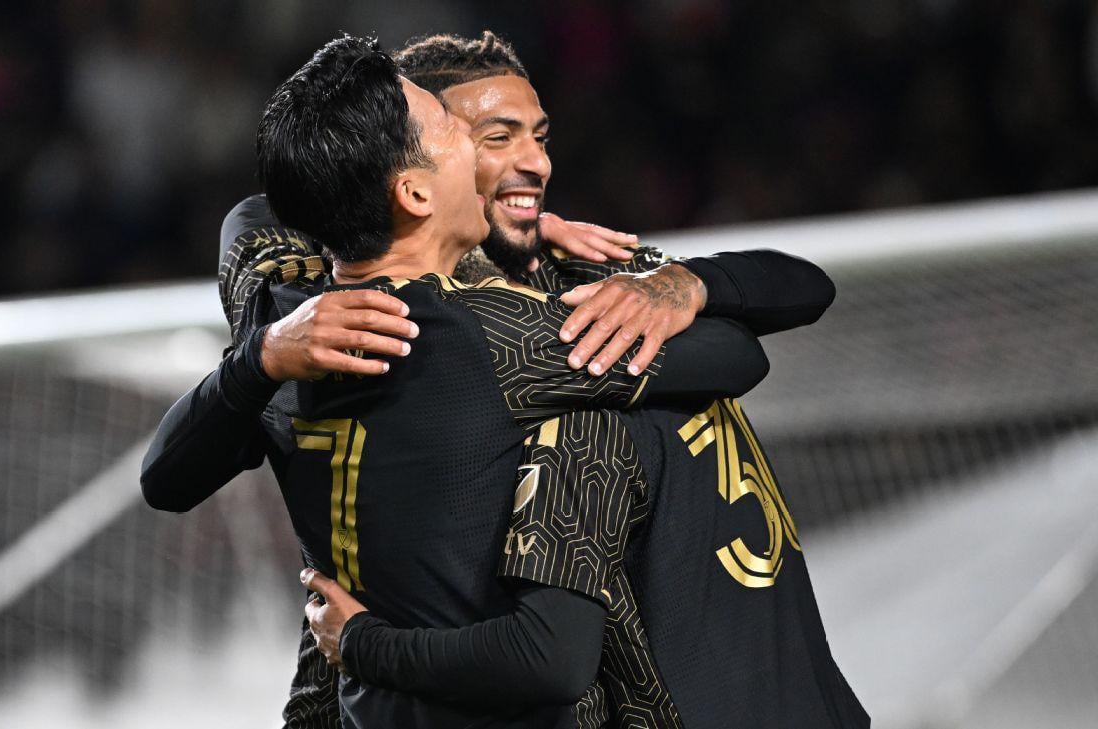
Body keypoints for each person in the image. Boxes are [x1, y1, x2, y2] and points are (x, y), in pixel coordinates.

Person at [142, 35, 773, 728]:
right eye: (451, 130)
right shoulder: (499, 338)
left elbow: (163, 479)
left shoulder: (280, 317)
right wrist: (677, 285)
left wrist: (258, 356)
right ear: (413, 191)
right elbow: (738, 355)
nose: (475, 151)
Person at [296, 32, 869, 729]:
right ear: (418, 162)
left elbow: (802, 287)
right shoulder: (436, 350)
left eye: (539, 136)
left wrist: (687, 283)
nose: (536, 162)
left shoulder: (595, 277)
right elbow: (538, 651)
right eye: (497, 138)